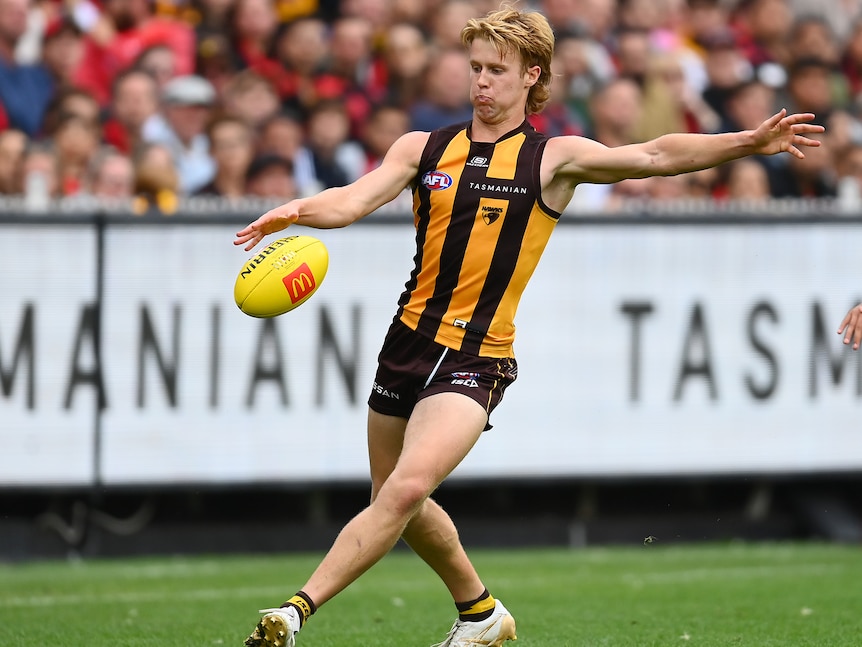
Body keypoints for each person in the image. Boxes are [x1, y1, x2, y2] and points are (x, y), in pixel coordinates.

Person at [234, 8, 824, 647]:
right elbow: (350, 200)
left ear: (531, 76)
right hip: (405, 342)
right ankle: (482, 613)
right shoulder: (422, 147)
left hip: (478, 354)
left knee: (403, 489)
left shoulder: (553, 159)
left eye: (496, 70)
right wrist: (298, 209)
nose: (481, 83)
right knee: (394, 498)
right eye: (475, 69)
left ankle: (296, 611)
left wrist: (744, 142)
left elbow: (653, 154)